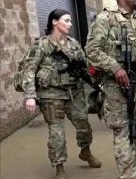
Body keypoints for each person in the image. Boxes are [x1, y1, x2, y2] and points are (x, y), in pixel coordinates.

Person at [20, 9, 101, 179]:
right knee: (57, 134)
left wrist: (95, 75)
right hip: (51, 95)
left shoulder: (73, 44)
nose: (70, 24)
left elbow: (85, 65)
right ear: (54, 22)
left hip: (74, 92)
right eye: (66, 20)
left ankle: (85, 152)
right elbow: (29, 70)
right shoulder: (41, 45)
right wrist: (30, 95)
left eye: (71, 20)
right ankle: (59, 167)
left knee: (84, 126)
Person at [85, 0, 136, 179]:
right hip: (117, 89)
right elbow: (92, 50)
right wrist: (115, 68)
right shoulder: (106, 19)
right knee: (123, 134)